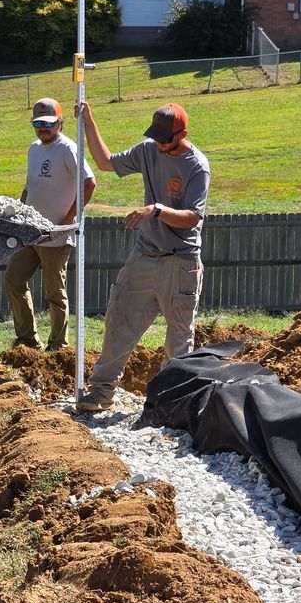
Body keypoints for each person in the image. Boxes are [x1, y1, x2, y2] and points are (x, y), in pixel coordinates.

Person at [75, 101, 210, 412]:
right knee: (119, 317)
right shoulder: (149, 150)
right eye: (156, 137)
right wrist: (87, 120)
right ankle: (101, 391)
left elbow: (191, 218)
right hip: (145, 256)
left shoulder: (196, 166)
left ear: (182, 134)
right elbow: (106, 162)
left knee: (179, 336)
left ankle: (170, 403)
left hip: (181, 261)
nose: (159, 144)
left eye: (166, 139)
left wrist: (157, 210)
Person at [5, 97, 95, 352]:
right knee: (14, 278)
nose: (42, 127)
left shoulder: (67, 149)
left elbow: (89, 182)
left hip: (56, 235)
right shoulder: (34, 149)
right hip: (30, 232)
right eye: (38, 123)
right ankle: (27, 340)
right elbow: (29, 186)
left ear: (59, 123)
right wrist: (19, 212)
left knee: (55, 292)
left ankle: (58, 345)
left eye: (47, 123)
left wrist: (69, 218)